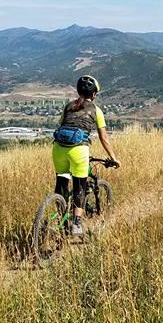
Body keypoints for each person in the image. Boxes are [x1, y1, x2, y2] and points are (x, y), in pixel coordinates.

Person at [52, 74, 120, 237]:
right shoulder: (96, 111)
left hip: (58, 149)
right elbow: (104, 138)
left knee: (62, 181)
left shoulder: (68, 106)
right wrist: (113, 157)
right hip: (79, 150)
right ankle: (76, 224)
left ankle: (61, 218)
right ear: (94, 94)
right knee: (79, 186)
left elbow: (63, 125)